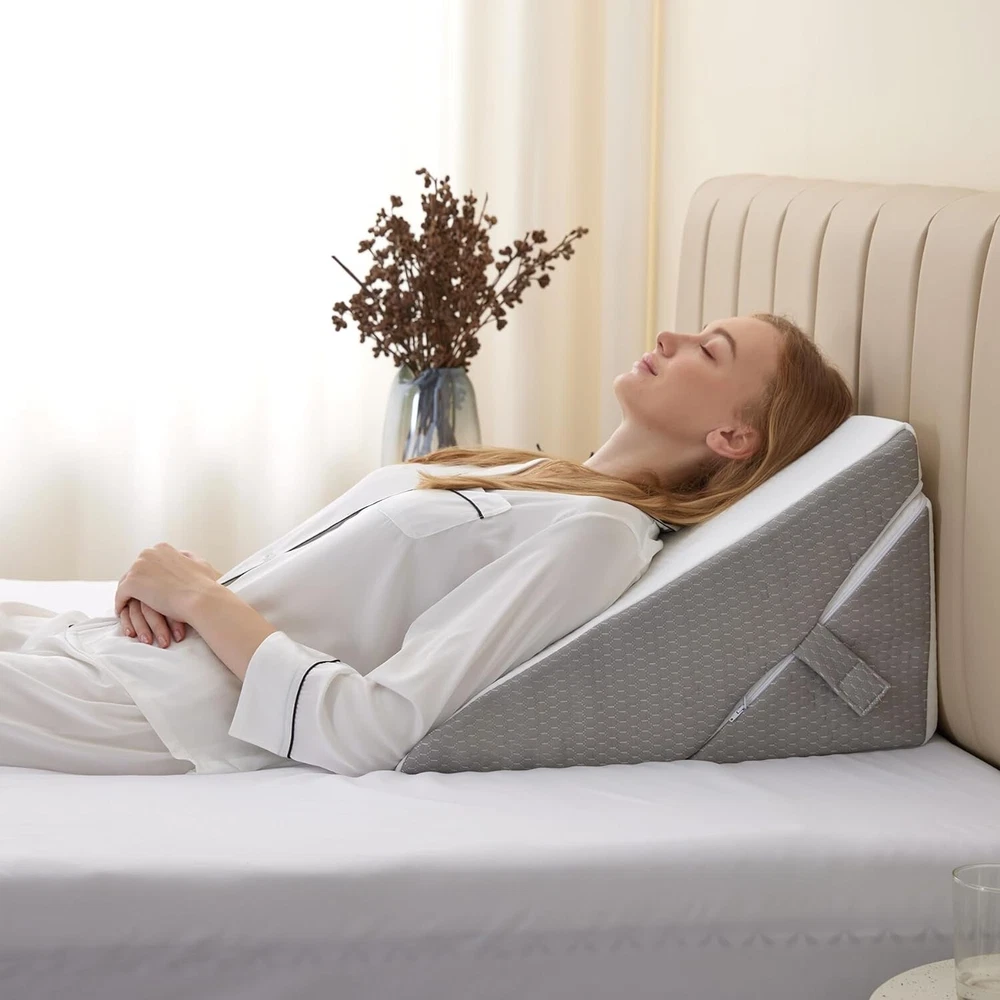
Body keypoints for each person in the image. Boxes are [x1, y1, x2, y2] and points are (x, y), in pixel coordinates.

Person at [0, 313, 854, 778]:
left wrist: (201, 597)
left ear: (734, 437)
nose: (669, 336)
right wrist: (183, 585)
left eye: (710, 350)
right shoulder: (530, 474)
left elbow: (377, 727)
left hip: (150, 707)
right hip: (115, 652)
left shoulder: (598, 537)